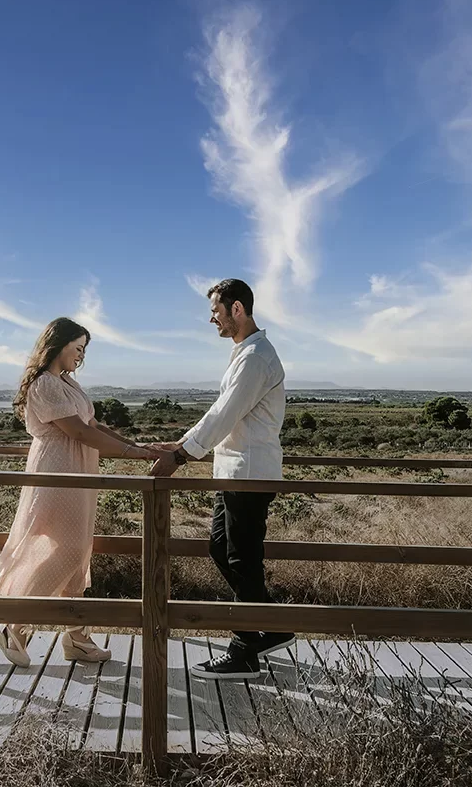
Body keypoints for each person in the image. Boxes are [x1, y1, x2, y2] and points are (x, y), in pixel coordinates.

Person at [0, 317, 162, 667]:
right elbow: (78, 432)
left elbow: (94, 425)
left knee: (79, 549)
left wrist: (136, 445)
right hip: (58, 471)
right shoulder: (44, 385)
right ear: (58, 344)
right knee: (69, 548)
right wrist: (129, 453)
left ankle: (78, 638)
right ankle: (14, 624)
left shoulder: (69, 385)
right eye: (77, 348)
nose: (81, 356)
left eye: (84, 350)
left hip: (80, 471)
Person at [149, 279, 293, 680]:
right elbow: (220, 410)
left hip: (248, 474)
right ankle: (273, 624)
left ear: (237, 310)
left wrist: (179, 455)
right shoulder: (245, 353)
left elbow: (224, 415)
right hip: (234, 472)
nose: (210, 318)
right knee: (220, 547)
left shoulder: (255, 358)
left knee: (241, 558)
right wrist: (180, 442)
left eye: (216, 310)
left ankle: (244, 650)